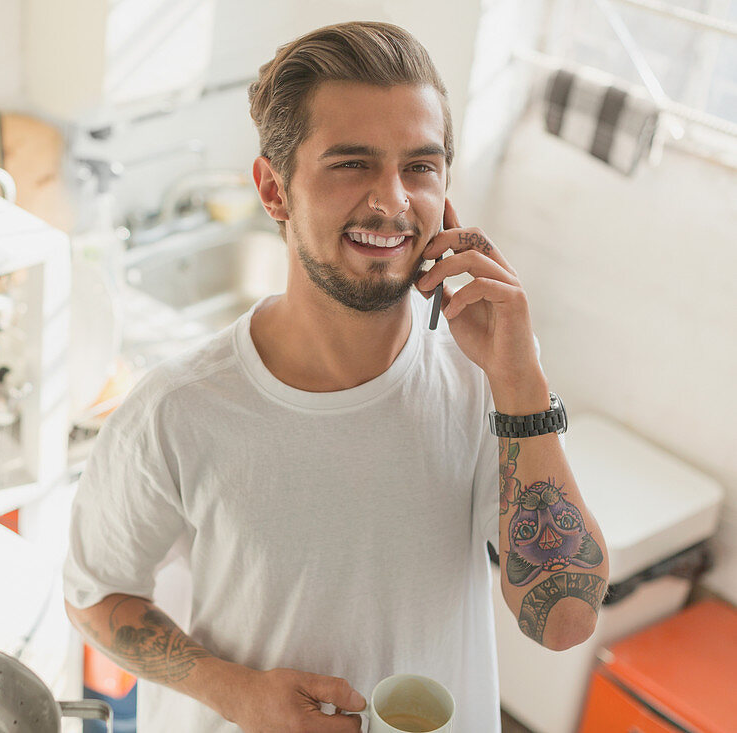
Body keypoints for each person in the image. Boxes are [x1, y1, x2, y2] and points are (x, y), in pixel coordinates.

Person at [63, 21, 610, 732]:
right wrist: (236, 691)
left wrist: (522, 382)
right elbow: (96, 597)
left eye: (420, 166)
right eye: (352, 164)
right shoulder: (177, 410)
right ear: (274, 190)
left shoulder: (488, 383)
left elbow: (565, 620)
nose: (393, 201)